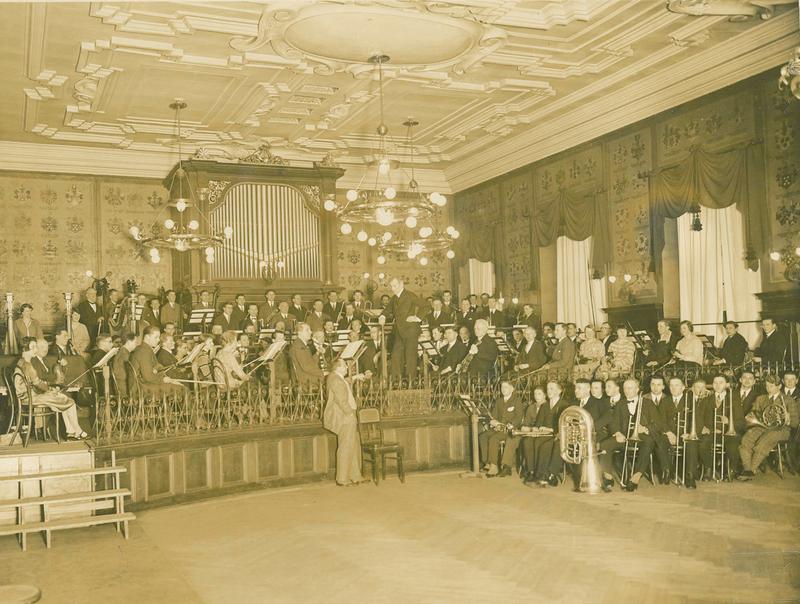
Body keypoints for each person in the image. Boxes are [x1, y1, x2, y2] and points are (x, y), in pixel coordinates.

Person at [14, 338, 86, 440]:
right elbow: (38, 383)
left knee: (63, 398)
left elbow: (37, 382)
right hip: (31, 397)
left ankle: (73, 431)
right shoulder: (28, 365)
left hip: (28, 396)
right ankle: (77, 431)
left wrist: (49, 388)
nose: (36, 349)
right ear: (27, 349)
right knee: (68, 400)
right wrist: (50, 389)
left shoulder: (22, 362)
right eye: (33, 347)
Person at [598, 379, 658, 492]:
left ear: (637, 389)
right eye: (625, 388)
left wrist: (646, 429)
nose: (627, 391)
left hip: (642, 437)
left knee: (649, 442)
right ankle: (608, 476)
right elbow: (613, 422)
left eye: (630, 388)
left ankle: (636, 477)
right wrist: (617, 433)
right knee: (605, 444)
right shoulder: (620, 404)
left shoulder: (648, 403)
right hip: (624, 437)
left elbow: (657, 423)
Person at [738, 374, 798, 481]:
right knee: (746, 440)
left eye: (771, 386)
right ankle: (747, 469)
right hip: (762, 427)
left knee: (763, 442)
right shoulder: (760, 399)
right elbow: (753, 415)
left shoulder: (788, 400)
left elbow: (795, 422)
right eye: (766, 386)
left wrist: (788, 419)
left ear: (779, 386)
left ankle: (751, 470)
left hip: (782, 429)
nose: (768, 388)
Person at [323, 359, 364, 486]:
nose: (347, 368)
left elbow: (345, 383)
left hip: (346, 416)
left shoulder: (335, 377)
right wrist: (350, 413)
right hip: (345, 417)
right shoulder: (336, 379)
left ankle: (355, 476)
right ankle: (342, 478)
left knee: (352, 445)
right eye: (345, 366)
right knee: (346, 447)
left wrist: (356, 377)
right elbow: (341, 401)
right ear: (338, 367)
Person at [522, 380, 568, 487]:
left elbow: (565, 425)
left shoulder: (564, 405)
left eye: (552, 388)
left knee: (541, 444)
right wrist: (536, 429)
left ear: (559, 390)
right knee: (527, 441)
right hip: (543, 434)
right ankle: (531, 471)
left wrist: (551, 430)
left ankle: (542, 475)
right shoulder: (545, 406)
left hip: (555, 435)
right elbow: (538, 423)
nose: (549, 391)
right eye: (548, 389)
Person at [698, 374, 742, 480]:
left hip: (729, 433)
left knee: (732, 446)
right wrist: (703, 427)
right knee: (702, 444)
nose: (717, 385)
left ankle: (731, 469)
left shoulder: (734, 399)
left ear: (727, 384)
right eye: (715, 383)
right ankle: (709, 468)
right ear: (712, 385)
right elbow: (699, 417)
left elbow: (741, 421)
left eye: (721, 382)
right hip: (711, 432)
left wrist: (729, 421)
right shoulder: (706, 400)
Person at [478, 380, 523, 477]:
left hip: (509, 429)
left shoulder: (517, 400)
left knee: (494, 439)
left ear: (512, 389)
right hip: (498, 427)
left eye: (506, 387)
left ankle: (494, 467)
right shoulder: (499, 401)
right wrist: (494, 423)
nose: (503, 389)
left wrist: (511, 425)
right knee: (483, 436)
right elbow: (494, 416)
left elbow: (519, 417)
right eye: (502, 387)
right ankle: (487, 463)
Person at [381, 278, 422, 381]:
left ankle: (411, 382)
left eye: (395, 286)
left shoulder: (410, 295)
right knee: (396, 355)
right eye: (391, 286)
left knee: (410, 357)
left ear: (401, 284)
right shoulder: (394, 298)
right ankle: (396, 382)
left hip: (411, 331)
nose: (393, 288)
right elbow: (387, 310)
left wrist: (417, 318)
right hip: (399, 331)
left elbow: (426, 306)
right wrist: (382, 316)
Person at [129, 326, 185, 398]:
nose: (158, 340)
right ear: (147, 337)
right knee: (182, 389)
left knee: (178, 386)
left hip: (144, 385)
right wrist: (164, 379)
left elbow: (156, 368)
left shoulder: (145, 349)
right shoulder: (144, 351)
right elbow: (148, 377)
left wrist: (166, 378)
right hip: (143, 387)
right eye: (156, 337)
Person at [664, 377, 698, 488]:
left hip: (685, 434)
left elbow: (697, 419)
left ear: (683, 387)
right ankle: (667, 471)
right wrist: (668, 433)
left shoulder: (691, 400)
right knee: (661, 442)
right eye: (671, 385)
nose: (674, 388)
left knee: (691, 443)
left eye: (677, 385)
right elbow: (660, 420)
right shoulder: (665, 401)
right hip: (669, 435)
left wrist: (689, 432)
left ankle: (690, 476)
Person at [290, 322, 324, 387]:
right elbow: (306, 367)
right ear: (300, 332)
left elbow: (310, 362)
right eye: (307, 330)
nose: (311, 332)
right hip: (305, 379)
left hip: (307, 376)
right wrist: (321, 372)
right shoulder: (298, 346)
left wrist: (317, 353)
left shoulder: (302, 345)